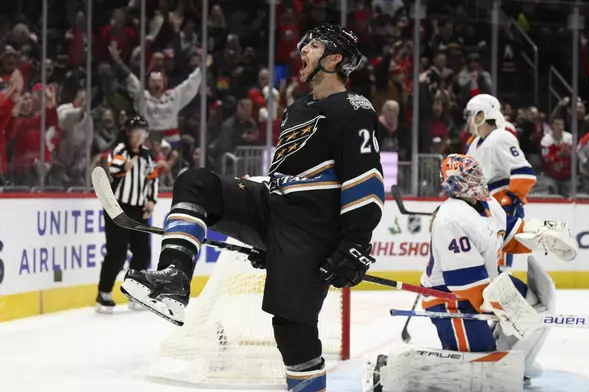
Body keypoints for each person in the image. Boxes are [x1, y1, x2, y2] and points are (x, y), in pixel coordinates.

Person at [120, 24, 384, 391]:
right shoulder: (297, 109)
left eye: (313, 46)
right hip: (274, 209)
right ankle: (175, 282)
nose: (302, 52)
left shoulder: (354, 109)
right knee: (196, 182)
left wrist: (355, 243)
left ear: (334, 58)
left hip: (312, 228)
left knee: (291, 327)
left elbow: (365, 182)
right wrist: (268, 240)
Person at [363, 154, 578, 391]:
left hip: (484, 284)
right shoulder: (451, 219)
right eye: (471, 176)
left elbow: (509, 234)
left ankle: (513, 361)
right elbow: (464, 284)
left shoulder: (489, 204)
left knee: (533, 302)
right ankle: (386, 368)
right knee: (479, 369)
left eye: (477, 172)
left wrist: (541, 237)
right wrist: (505, 307)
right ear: (456, 185)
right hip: (450, 299)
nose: (480, 179)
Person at [465, 93, 537, 270]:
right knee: (483, 259)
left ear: (481, 115)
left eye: (470, 114)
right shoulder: (473, 145)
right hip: (484, 205)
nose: (467, 119)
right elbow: (468, 180)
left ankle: (503, 294)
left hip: (502, 203)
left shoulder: (501, 137)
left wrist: (512, 198)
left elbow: (525, 172)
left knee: (499, 262)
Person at [96, 115, 159, 313]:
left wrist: (151, 200)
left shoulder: (147, 155)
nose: (140, 135)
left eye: (143, 131)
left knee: (142, 252)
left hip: (139, 210)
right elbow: (114, 168)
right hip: (117, 209)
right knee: (117, 252)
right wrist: (124, 168)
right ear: (128, 132)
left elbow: (153, 179)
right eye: (136, 131)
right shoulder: (120, 150)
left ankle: (135, 293)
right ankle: (103, 293)